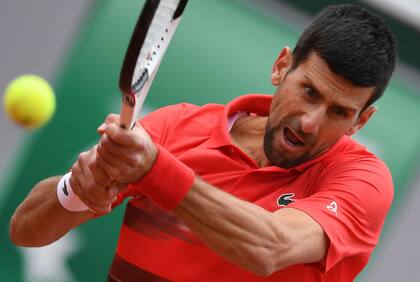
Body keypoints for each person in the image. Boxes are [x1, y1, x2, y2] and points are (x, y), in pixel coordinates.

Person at [10, 4, 397, 282]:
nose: (311, 123)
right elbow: (26, 230)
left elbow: (270, 248)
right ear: (282, 67)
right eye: (309, 92)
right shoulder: (176, 126)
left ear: (361, 120)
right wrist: (77, 188)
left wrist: (154, 169)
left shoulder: (362, 180)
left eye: (339, 112)